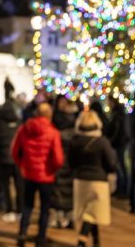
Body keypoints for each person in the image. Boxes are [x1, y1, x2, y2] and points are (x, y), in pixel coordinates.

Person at [13, 102, 64, 246]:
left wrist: (23, 165)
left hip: (29, 174)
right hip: (46, 176)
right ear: (49, 115)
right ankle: (41, 238)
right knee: (44, 208)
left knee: (27, 205)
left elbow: (15, 151)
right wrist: (52, 169)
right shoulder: (53, 132)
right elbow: (58, 159)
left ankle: (22, 234)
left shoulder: (24, 129)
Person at [70, 109, 117, 247]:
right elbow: (111, 164)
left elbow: (71, 162)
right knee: (91, 214)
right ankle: (82, 239)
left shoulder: (75, 141)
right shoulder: (102, 142)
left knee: (89, 212)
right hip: (98, 181)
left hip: (80, 180)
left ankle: (96, 241)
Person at [50, 94, 79, 228]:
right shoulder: (56, 119)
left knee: (65, 189)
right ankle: (62, 216)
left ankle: (67, 216)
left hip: (68, 158)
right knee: (59, 189)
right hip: (59, 157)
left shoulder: (71, 121)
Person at [0, 100, 23, 221]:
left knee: (6, 186)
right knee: (19, 186)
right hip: (18, 160)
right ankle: (20, 211)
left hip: (4, 160)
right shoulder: (19, 124)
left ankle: (10, 210)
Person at [106, 100, 129, 198]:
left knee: (120, 167)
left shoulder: (116, 116)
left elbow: (115, 131)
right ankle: (122, 189)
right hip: (120, 144)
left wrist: (110, 141)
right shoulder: (122, 115)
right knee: (121, 167)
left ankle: (122, 190)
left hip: (118, 144)